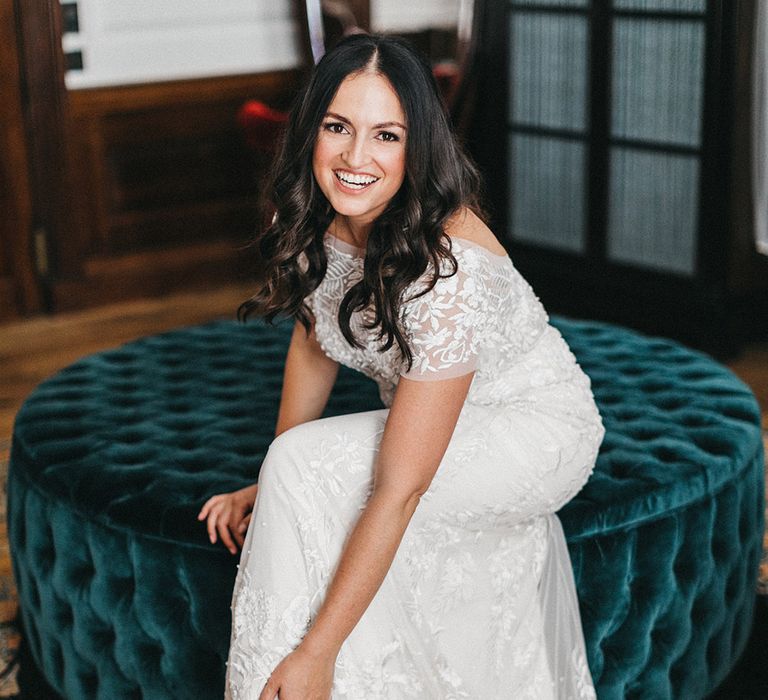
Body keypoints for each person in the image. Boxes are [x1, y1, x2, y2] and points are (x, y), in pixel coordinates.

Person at [198, 33, 605, 700]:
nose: (357, 157)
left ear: (418, 149)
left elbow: (401, 488)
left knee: (305, 471)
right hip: (427, 417)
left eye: (387, 136)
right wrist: (270, 480)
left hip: (531, 429)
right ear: (311, 131)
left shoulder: (443, 269)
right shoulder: (317, 215)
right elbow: (312, 338)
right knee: (293, 471)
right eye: (338, 127)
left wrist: (318, 653)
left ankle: (284, 686)